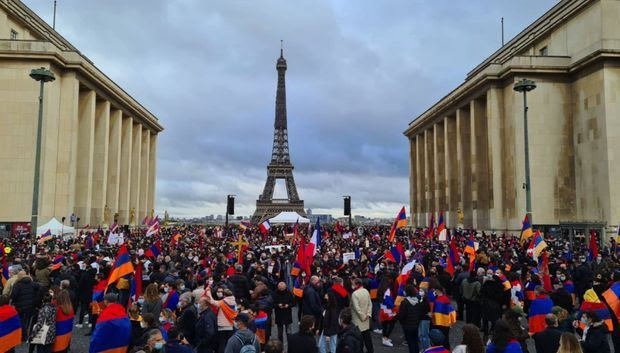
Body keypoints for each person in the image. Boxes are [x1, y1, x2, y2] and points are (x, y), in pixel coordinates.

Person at [10, 270, 40, 341]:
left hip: (20, 306)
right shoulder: (32, 283)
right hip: (30, 305)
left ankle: (24, 336)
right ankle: (26, 333)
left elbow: (13, 296)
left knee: (22, 321)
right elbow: (40, 288)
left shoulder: (17, 285)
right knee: (27, 320)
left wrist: (12, 302)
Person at [206, 286, 237, 353]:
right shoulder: (234, 302)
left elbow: (212, 302)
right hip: (230, 325)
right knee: (228, 344)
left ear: (224, 295)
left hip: (222, 326)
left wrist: (208, 293)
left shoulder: (223, 302)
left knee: (222, 344)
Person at [351, 278, 373, 353]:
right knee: (367, 337)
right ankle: (370, 350)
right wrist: (368, 314)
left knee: (359, 339)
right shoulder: (366, 291)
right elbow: (370, 304)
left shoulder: (355, 294)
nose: (352, 285)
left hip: (358, 320)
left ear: (357, 284)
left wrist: (362, 317)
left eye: (353, 284)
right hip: (366, 319)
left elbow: (357, 308)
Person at [398, 285, 421, 353]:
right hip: (416, 324)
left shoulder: (405, 302)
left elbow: (402, 315)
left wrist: (401, 322)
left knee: (410, 343)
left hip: (407, 325)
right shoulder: (417, 301)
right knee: (415, 341)